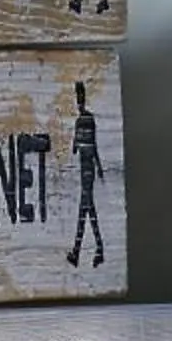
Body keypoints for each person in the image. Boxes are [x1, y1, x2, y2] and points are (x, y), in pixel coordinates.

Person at [66, 82, 105, 269]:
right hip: (88, 169)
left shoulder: (81, 121)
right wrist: (99, 167)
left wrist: (76, 138)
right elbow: (92, 145)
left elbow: (76, 148)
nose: (79, 103)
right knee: (87, 210)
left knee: (86, 209)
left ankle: (83, 251)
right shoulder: (88, 120)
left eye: (79, 99)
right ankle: (96, 250)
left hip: (86, 169)